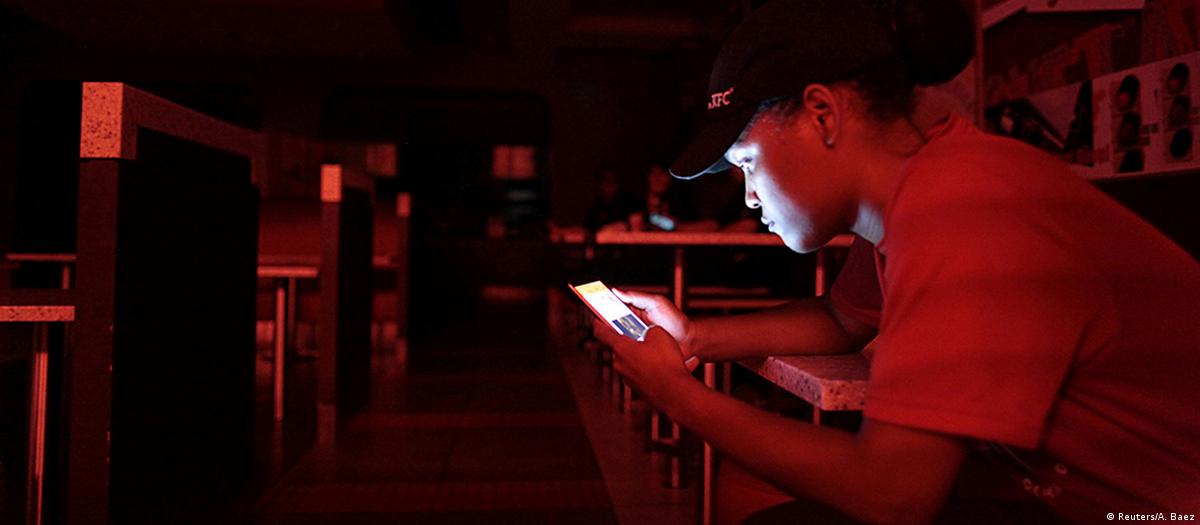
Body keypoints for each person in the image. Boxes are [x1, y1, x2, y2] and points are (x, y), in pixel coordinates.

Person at [591, 0, 1200, 523]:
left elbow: (894, 494)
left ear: (822, 115)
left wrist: (678, 395)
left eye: (747, 161)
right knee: (754, 484)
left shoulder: (963, 206)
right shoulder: (920, 188)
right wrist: (693, 336)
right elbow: (842, 320)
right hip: (1067, 490)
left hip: (1157, 509)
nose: (748, 196)